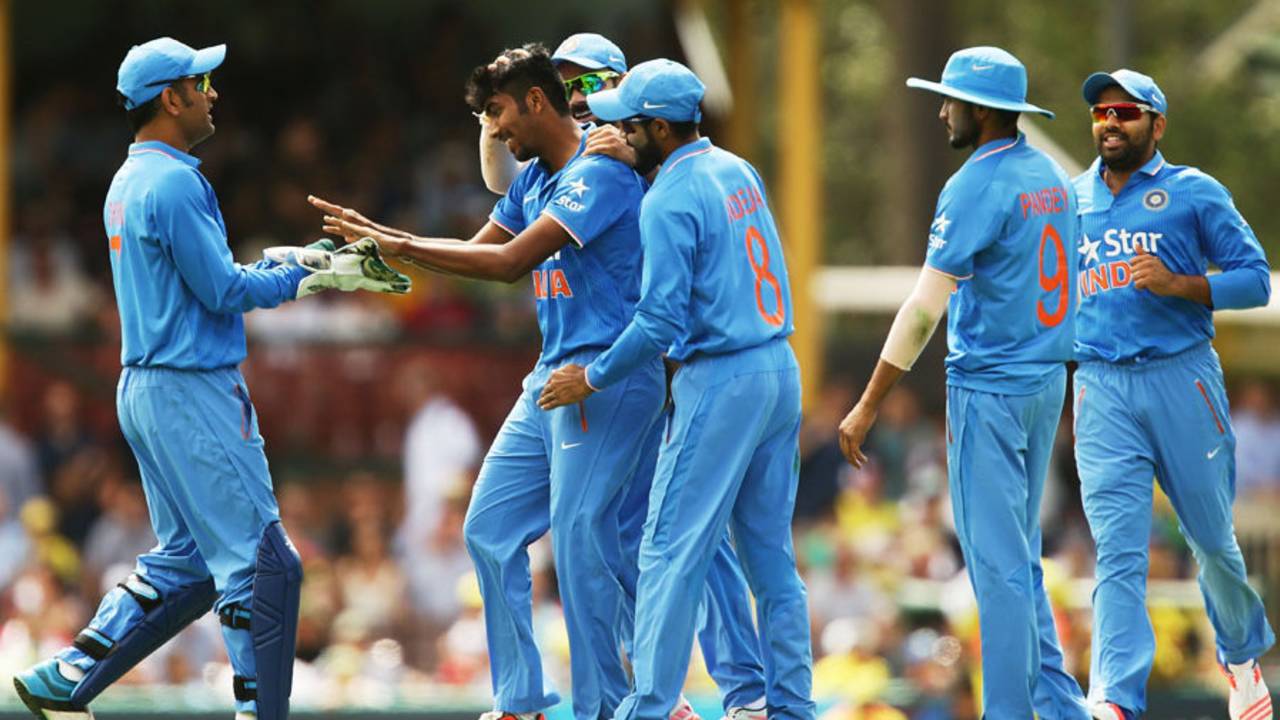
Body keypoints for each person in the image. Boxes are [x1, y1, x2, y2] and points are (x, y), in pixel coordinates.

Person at [12, 37, 400, 720]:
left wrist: (292, 264)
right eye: (202, 82)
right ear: (171, 97)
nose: (212, 93)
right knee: (266, 564)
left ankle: (66, 677)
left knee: (189, 564)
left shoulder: (127, 179)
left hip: (146, 386)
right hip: (193, 385)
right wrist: (306, 273)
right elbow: (222, 290)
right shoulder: (177, 179)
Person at [317, 45, 664, 720]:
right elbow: (481, 248)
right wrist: (385, 241)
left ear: (537, 101)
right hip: (550, 378)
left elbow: (507, 264)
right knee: (489, 528)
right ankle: (521, 701)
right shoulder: (534, 179)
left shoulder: (603, 174)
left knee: (584, 541)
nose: (496, 131)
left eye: (499, 113)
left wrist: (403, 244)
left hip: (602, 377)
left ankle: (612, 706)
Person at [477, 32, 767, 720]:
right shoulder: (591, 153)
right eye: (567, 85)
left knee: (684, 538)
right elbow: (504, 186)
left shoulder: (640, 156)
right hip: (620, 364)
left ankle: (742, 690)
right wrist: (494, 108)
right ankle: (658, 696)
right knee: (628, 537)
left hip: (658, 363)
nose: (579, 99)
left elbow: (651, 202)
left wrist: (626, 161)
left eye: (588, 85)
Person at [538, 58, 815, 720]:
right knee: (772, 562)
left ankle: (649, 708)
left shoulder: (665, 196)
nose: (613, 135)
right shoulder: (735, 168)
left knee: (667, 550)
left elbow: (657, 321)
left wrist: (592, 375)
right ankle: (792, 708)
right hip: (779, 367)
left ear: (659, 129)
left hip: (720, 377)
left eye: (626, 126)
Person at [836, 47, 1087, 720]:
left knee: (997, 567)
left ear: (979, 111)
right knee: (1022, 556)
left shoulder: (976, 182)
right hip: (1044, 386)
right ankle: (1060, 707)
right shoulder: (1052, 175)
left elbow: (924, 308)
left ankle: (1010, 712)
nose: (942, 108)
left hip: (991, 390)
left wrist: (866, 404)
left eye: (950, 99)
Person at [1070, 68, 1274, 720]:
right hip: (1100, 386)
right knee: (1118, 551)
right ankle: (1115, 698)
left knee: (1212, 540)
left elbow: (1254, 281)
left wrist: (1182, 285)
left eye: (1126, 112)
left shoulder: (1192, 192)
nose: (1110, 123)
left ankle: (1240, 656)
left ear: (1157, 125)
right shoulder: (1067, 199)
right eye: (1102, 112)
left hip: (1181, 374)